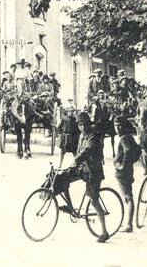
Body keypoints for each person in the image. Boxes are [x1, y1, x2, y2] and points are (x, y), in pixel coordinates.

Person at [72, 112, 110, 242]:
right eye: (79, 125)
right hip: (84, 169)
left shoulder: (92, 136)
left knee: (94, 200)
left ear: (87, 124)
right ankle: (70, 208)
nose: (81, 127)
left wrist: (77, 159)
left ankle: (104, 232)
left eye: (83, 124)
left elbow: (87, 150)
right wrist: (76, 162)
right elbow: (78, 151)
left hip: (94, 172)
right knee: (63, 178)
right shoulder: (82, 135)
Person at [113, 115, 141, 233]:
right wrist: (130, 163)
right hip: (127, 170)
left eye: (118, 125)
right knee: (127, 197)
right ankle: (128, 223)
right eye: (115, 126)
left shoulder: (124, 138)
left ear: (122, 126)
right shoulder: (128, 137)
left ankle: (129, 225)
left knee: (128, 197)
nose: (116, 128)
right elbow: (138, 150)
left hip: (123, 172)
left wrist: (123, 165)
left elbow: (128, 151)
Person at [57, 101, 79, 168]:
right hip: (65, 138)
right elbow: (59, 127)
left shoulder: (75, 119)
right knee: (62, 152)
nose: (71, 112)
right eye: (69, 111)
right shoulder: (64, 118)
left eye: (72, 111)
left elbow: (78, 129)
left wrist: (77, 136)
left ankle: (77, 165)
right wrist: (61, 134)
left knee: (75, 152)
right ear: (67, 112)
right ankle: (60, 165)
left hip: (73, 138)